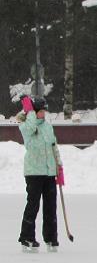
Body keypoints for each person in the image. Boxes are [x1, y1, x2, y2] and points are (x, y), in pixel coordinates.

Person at [17, 95, 63, 253]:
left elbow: (53, 146)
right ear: (34, 111)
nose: (44, 113)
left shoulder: (47, 127)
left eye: (45, 110)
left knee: (50, 207)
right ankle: (27, 237)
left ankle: (51, 238)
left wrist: (59, 166)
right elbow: (30, 128)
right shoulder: (25, 126)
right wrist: (29, 113)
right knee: (33, 205)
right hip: (34, 172)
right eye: (41, 110)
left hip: (49, 172)